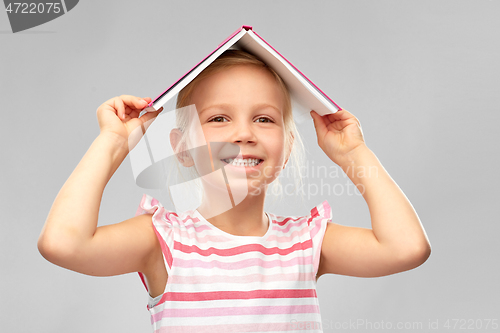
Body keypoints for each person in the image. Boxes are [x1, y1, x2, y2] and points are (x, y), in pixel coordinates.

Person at [38, 50, 431, 332]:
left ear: (287, 145)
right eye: (219, 118)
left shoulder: (306, 243)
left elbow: (406, 248)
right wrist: (114, 142)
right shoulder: (164, 241)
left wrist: (352, 154)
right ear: (182, 148)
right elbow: (63, 244)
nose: (244, 133)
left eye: (263, 118)